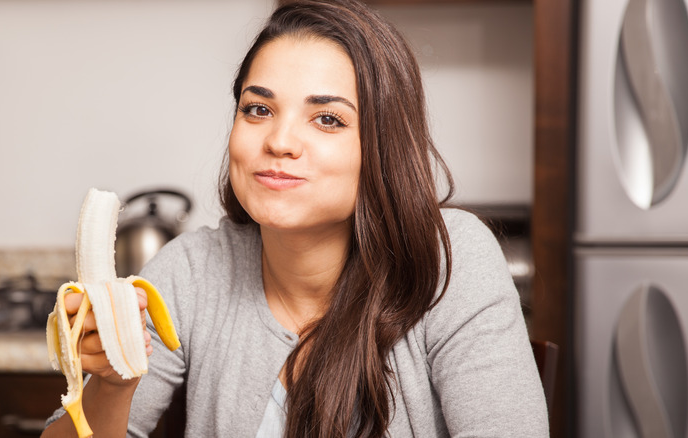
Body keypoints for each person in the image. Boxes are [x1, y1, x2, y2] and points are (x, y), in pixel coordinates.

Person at [42, 0, 549, 437]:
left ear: (382, 148)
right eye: (257, 110)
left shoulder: (451, 263)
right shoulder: (191, 274)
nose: (279, 142)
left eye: (327, 119)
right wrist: (114, 383)